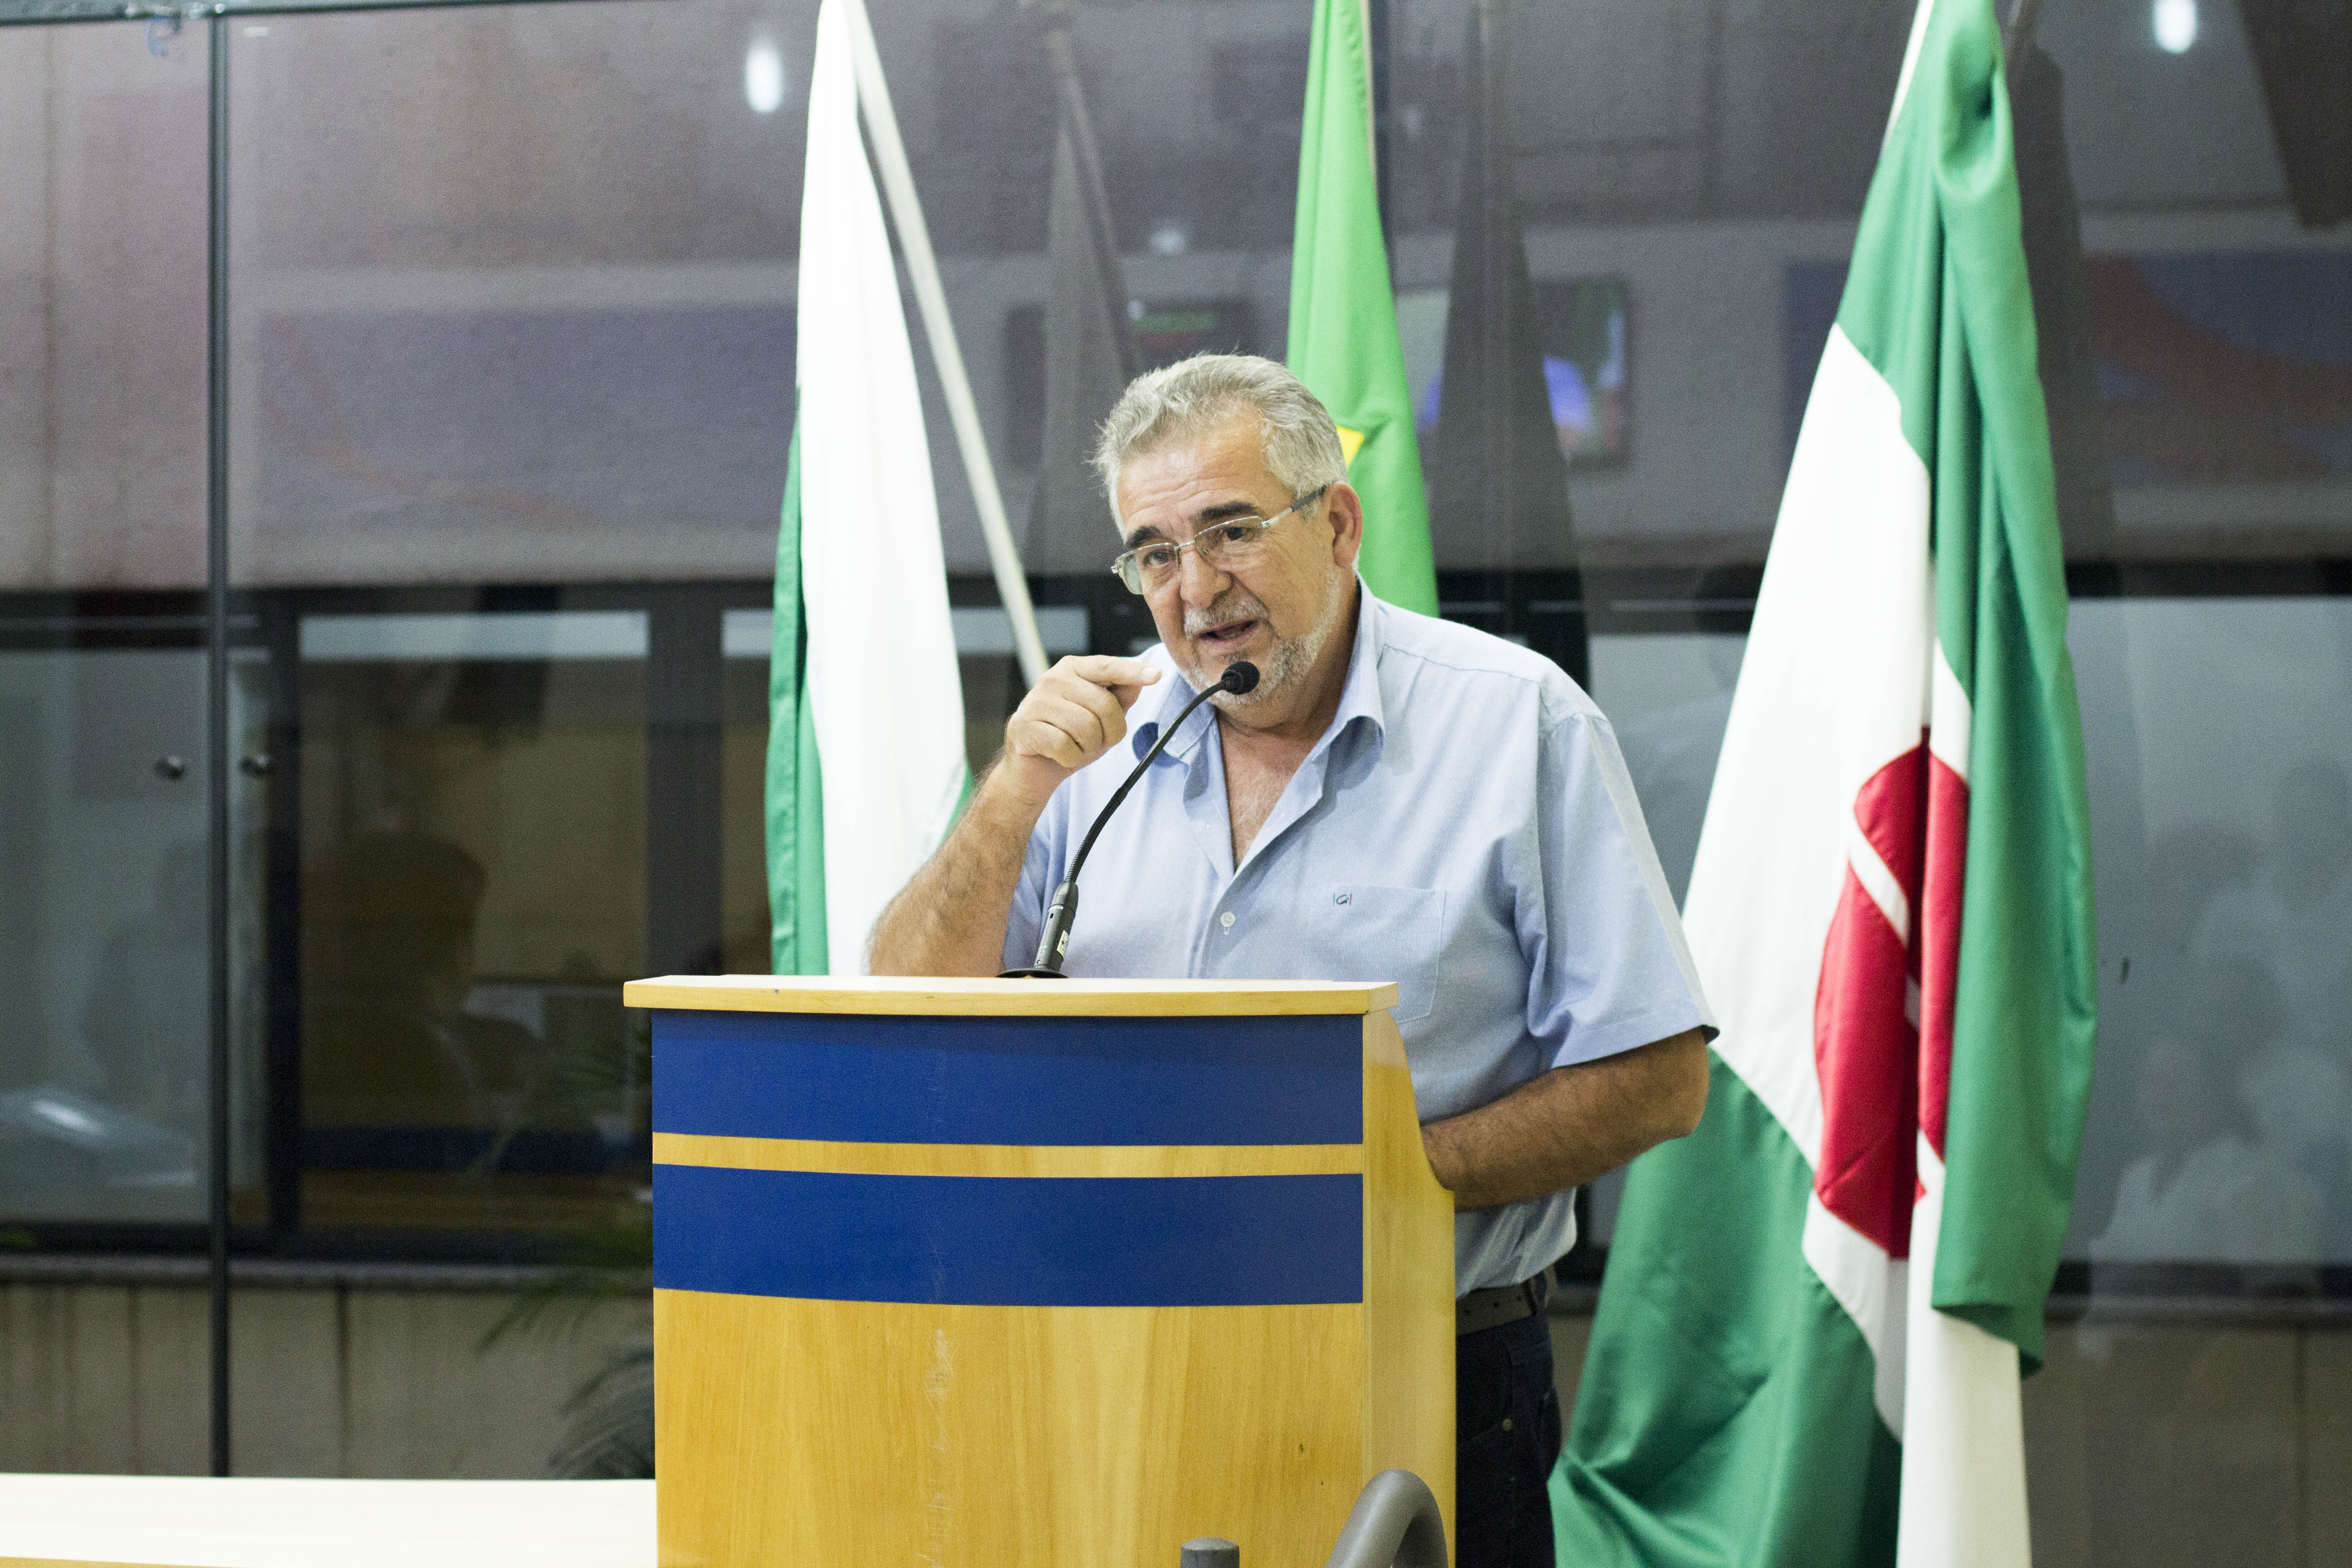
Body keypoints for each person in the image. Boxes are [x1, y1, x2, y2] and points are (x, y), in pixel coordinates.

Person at [870, 353, 1714, 1568]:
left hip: (1430, 1371)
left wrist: (1374, 1187)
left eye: (1230, 531)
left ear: (1338, 522)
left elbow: (1657, 1076)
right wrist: (1011, 797)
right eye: (1154, 554)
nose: (1196, 588)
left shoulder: (1515, 724)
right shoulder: (1086, 752)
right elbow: (894, 1013)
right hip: (1107, 1374)